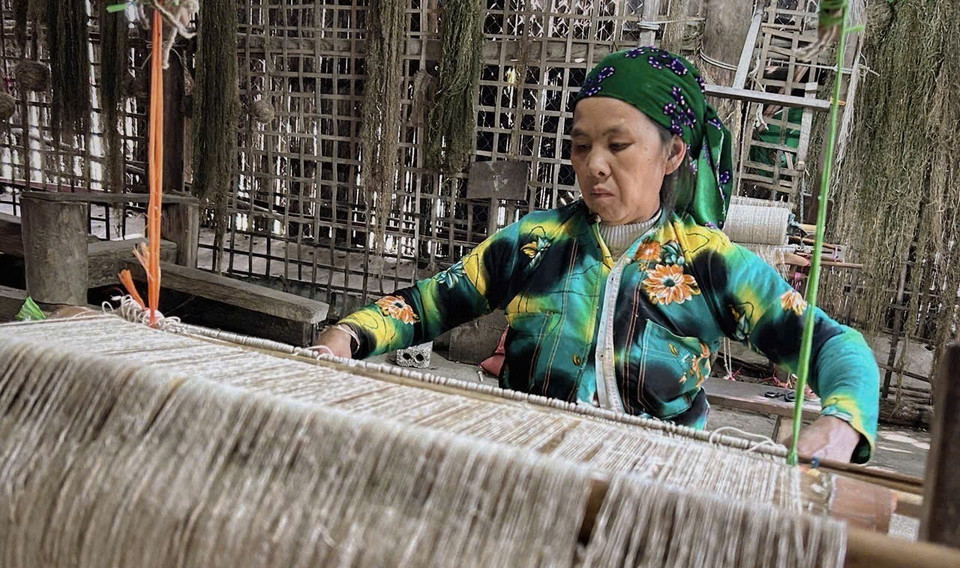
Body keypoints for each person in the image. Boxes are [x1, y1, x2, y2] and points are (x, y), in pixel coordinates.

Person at [315, 48, 879, 464]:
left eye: (618, 144)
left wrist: (841, 425)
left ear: (673, 154)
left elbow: (834, 347)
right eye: (582, 146)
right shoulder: (534, 243)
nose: (594, 165)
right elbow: (424, 306)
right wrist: (346, 338)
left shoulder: (710, 264)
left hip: (654, 487)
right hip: (526, 470)